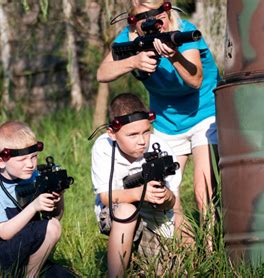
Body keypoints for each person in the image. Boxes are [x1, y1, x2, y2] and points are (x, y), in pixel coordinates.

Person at [97, 0, 220, 242]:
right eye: (143, 19)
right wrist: (133, 61)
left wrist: (174, 57)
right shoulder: (128, 37)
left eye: (158, 14)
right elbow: (102, 73)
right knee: (168, 193)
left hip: (204, 113)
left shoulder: (183, 31)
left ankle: (210, 250)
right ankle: (183, 251)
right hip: (165, 121)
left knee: (203, 191)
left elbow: (195, 80)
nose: (154, 22)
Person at [91, 93, 182, 277]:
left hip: (155, 218)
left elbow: (174, 202)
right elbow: (106, 197)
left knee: (168, 270)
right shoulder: (103, 147)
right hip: (115, 211)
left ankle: (137, 264)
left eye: (146, 132)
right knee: (126, 211)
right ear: (112, 133)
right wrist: (141, 193)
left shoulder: (160, 147)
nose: (142, 141)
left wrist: (164, 197)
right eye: (132, 134)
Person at [0, 121, 64, 277]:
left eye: (34, 157)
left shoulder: (35, 176)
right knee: (52, 227)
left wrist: (58, 196)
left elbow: (55, 217)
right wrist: (34, 206)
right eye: (22, 160)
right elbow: (4, 233)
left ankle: (27, 271)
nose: (30, 164)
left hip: (30, 250)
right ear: (1, 161)